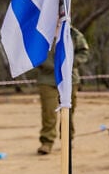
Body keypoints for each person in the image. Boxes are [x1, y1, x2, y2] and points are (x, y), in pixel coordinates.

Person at [36, 26, 90, 155]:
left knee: (68, 112)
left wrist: (70, 63)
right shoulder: (42, 30)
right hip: (47, 78)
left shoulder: (73, 33)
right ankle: (47, 142)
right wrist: (45, 64)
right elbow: (34, 51)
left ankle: (67, 140)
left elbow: (83, 52)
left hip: (69, 78)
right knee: (49, 112)